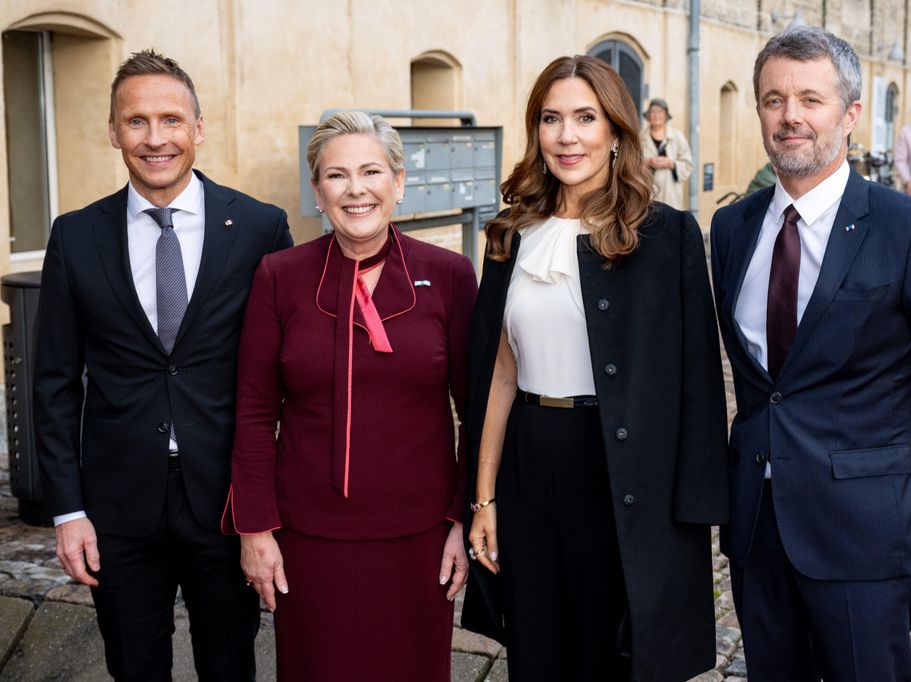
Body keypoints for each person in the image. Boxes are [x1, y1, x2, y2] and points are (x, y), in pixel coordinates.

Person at [710, 26, 911, 681]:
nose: (791, 117)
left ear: (851, 114)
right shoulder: (732, 228)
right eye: (774, 100)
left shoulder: (910, 227)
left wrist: (875, 453)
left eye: (811, 98)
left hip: (861, 527)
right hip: (758, 524)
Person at [461, 55, 729, 682]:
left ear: (615, 130)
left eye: (586, 117)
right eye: (551, 119)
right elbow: (498, 376)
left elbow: (698, 381)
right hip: (531, 461)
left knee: (611, 647)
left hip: (621, 471)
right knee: (538, 641)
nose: (567, 136)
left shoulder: (666, 236)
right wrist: (483, 498)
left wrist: (694, 514)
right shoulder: (511, 234)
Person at [33, 50, 293, 680]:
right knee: (133, 666)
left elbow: (288, 375)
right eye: (137, 122)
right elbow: (54, 385)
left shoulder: (258, 228)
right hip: (116, 506)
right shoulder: (75, 236)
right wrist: (68, 512)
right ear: (114, 131)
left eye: (171, 120)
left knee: (230, 664)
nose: (156, 139)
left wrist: (274, 503)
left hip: (226, 501)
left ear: (198, 128)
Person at [224, 111, 476, 681]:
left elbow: (475, 411)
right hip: (307, 538)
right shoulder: (279, 275)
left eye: (371, 171)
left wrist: (462, 518)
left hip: (420, 537)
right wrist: (255, 528)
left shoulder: (452, 274)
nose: (356, 189)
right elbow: (254, 412)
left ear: (399, 182)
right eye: (337, 176)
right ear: (317, 192)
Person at [641, 98, 693, 210]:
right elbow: (630, 163)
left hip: (671, 196)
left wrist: (671, 164)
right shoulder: (640, 138)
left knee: (670, 223)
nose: (656, 115)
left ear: (666, 115)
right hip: (646, 195)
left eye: (660, 112)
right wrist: (648, 162)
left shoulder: (677, 137)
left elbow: (688, 165)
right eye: (653, 112)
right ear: (648, 115)